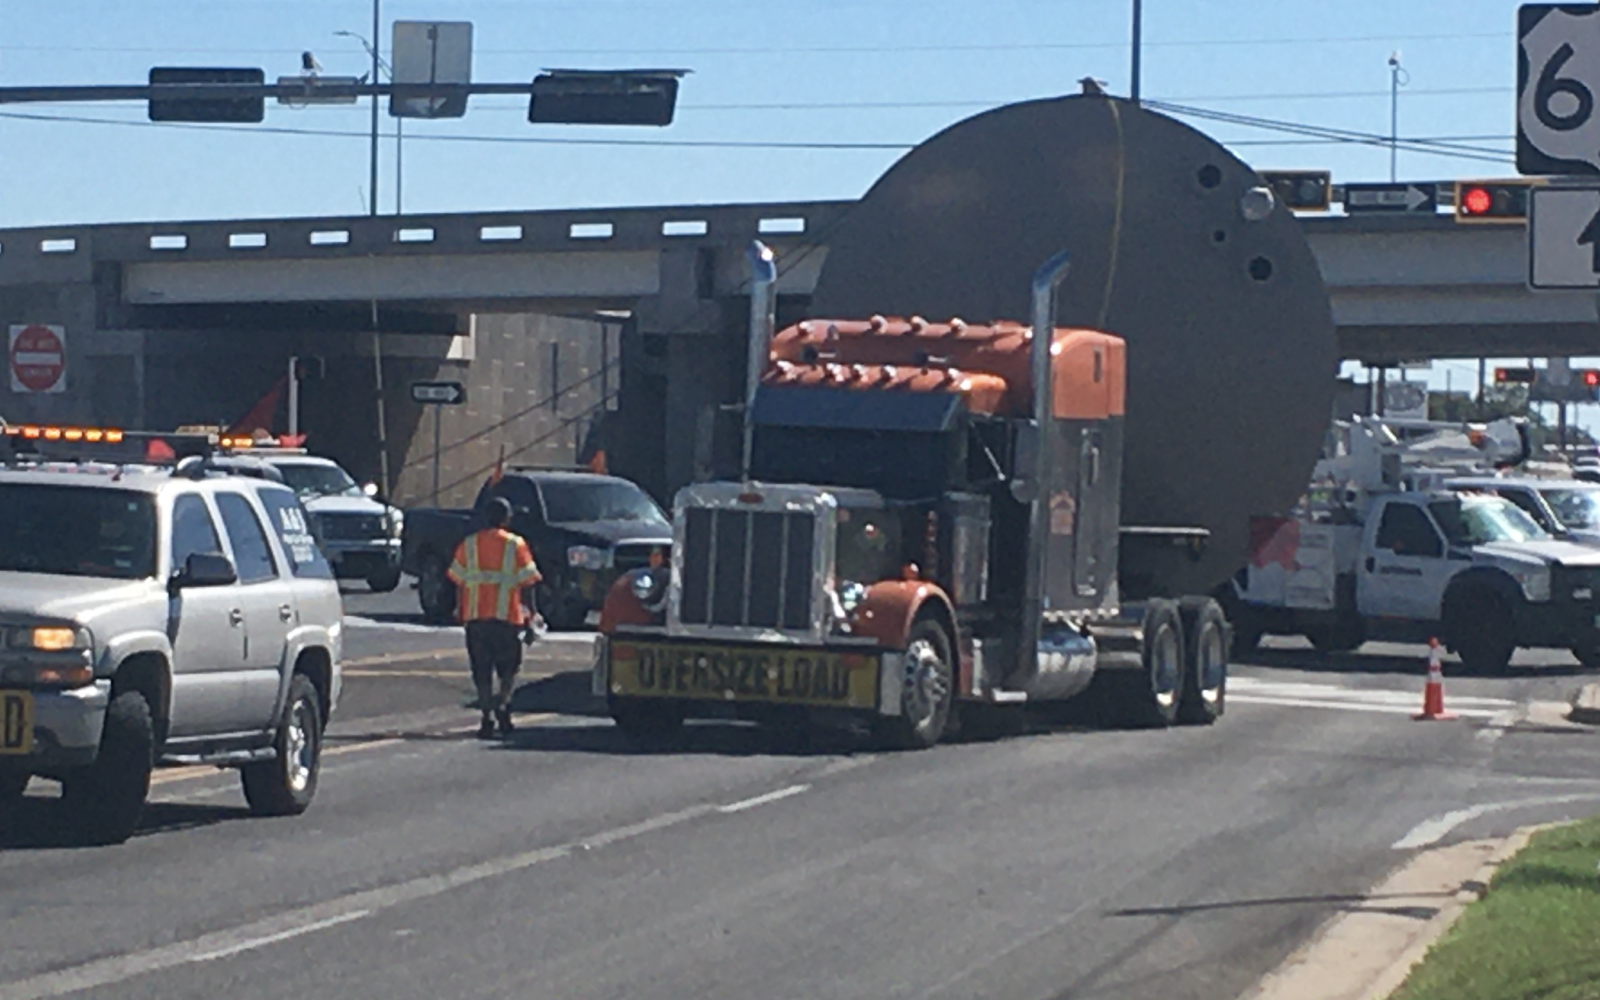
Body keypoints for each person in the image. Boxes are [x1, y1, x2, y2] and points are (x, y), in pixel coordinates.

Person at [446, 497, 543, 739]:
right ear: (507, 518)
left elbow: (458, 580)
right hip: (507, 618)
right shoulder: (515, 544)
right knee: (509, 669)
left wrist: (460, 609)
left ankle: (486, 716)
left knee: (481, 669)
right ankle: (504, 705)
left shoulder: (469, 545)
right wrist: (531, 615)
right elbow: (529, 583)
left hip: (476, 618)